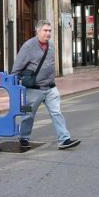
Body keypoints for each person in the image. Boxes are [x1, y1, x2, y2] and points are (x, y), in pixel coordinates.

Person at [13, 20, 80, 152]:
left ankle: (64, 139)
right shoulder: (28, 46)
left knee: (57, 113)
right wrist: (15, 87)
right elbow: (16, 68)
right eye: (45, 30)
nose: (48, 33)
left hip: (50, 88)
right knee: (28, 115)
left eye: (50, 30)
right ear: (37, 31)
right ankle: (24, 138)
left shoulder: (51, 45)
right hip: (33, 89)